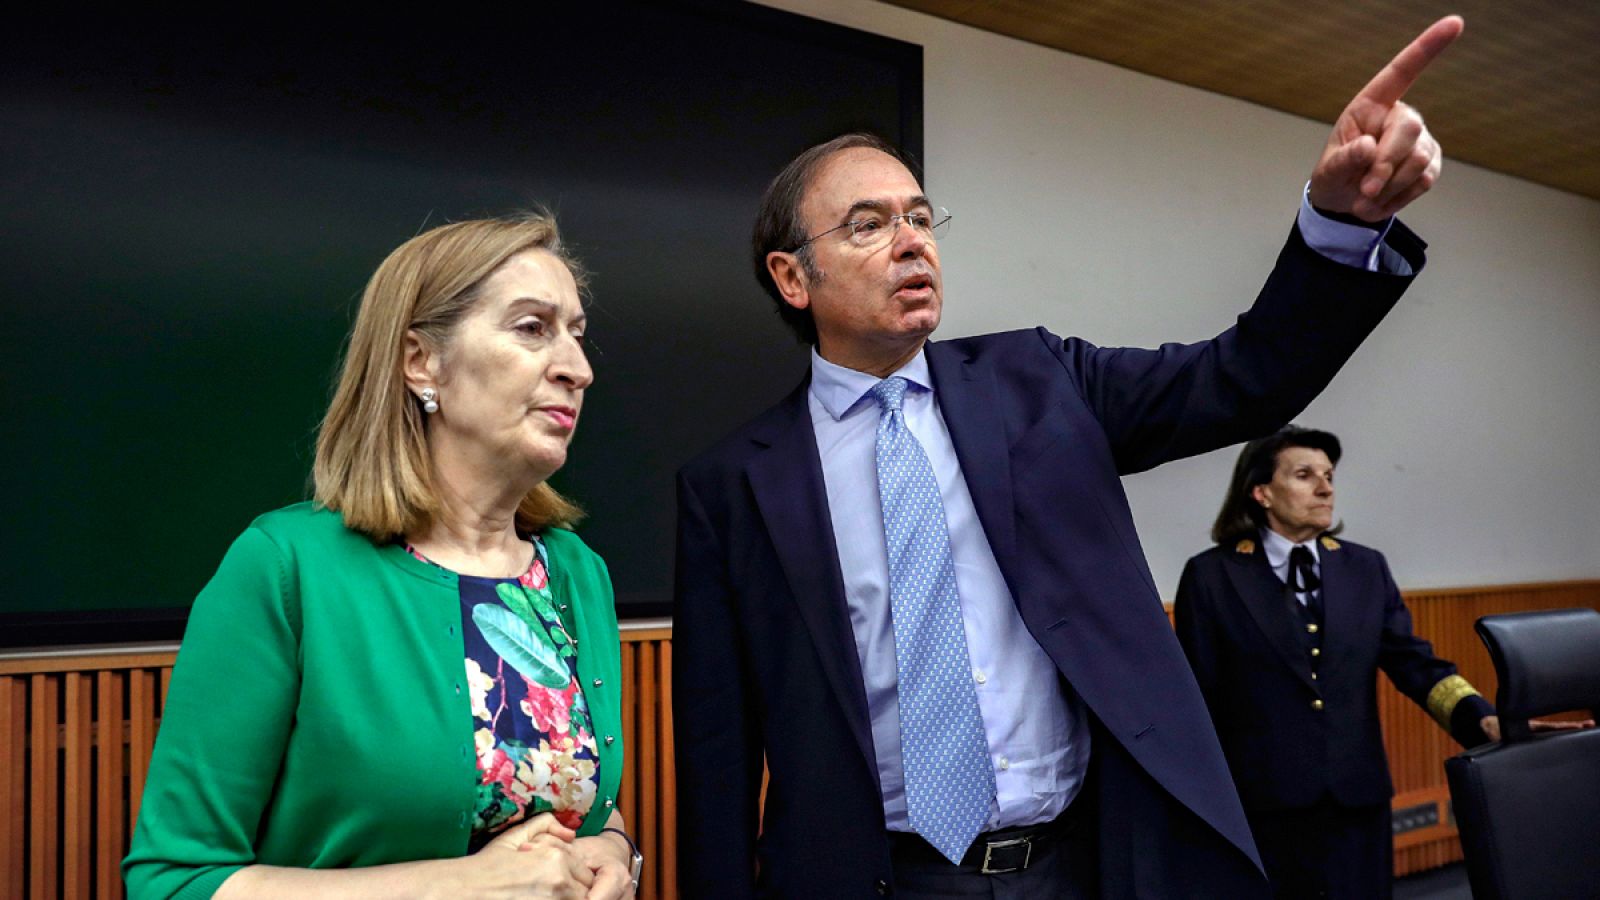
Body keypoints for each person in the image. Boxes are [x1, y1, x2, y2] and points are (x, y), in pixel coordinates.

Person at [672, 17, 1466, 900]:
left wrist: (1339, 226)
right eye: (867, 225)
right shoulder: (736, 484)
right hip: (879, 879)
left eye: (921, 216)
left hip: (1084, 865)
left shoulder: (1041, 381)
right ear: (792, 277)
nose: (912, 241)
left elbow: (1242, 379)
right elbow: (718, 748)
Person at [124, 215, 642, 899]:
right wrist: (458, 886)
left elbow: (562, 799)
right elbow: (172, 881)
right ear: (421, 361)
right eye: (532, 328)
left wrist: (613, 844)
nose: (578, 369)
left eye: (577, 334)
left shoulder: (576, 573)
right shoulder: (285, 569)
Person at [1172, 426, 1496, 899]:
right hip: (1262, 805)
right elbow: (1196, 696)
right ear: (1261, 491)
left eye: (1328, 475)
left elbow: (1414, 663)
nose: (1326, 488)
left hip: (1356, 799)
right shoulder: (1213, 575)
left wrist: (1481, 719)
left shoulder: (1365, 568)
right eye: (1305, 475)